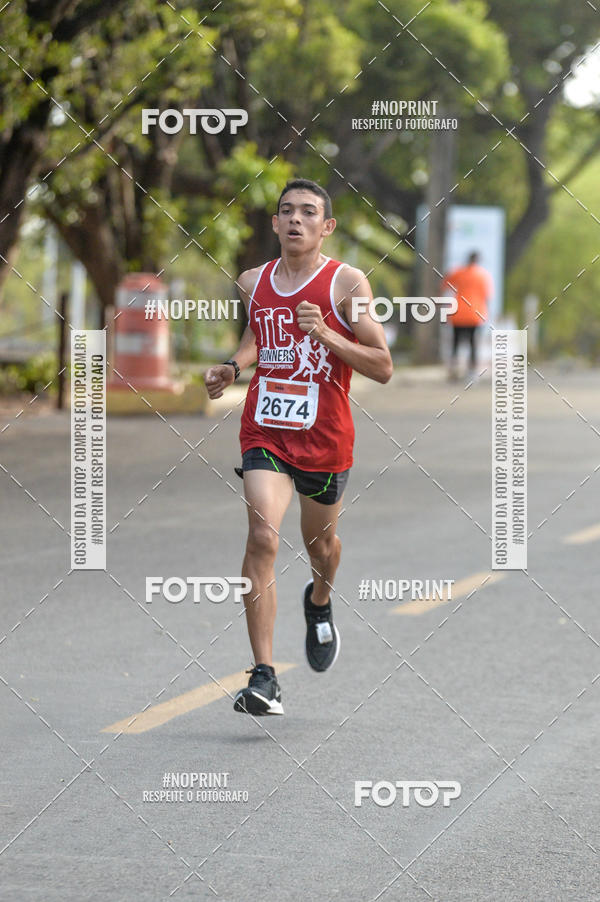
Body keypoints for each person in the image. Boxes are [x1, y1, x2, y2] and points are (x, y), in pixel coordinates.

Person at [203, 178, 393, 716]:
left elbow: (382, 365)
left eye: (308, 213)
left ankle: (320, 600)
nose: (295, 220)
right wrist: (233, 368)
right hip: (265, 428)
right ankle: (264, 676)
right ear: (274, 223)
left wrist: (329, 336)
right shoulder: (251, 281)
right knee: (262, 535)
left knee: (321, 548)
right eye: (286, 211)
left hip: (326, 438)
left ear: (326, 227)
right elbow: (259, 334)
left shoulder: (346, 284)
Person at [440, 251, 493, 380]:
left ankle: (453, 369)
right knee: (473, 343)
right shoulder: (483, 276)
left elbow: (444, 284)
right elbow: (487, 296)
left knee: (456, 342)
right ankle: (472, 371)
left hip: (458, 312)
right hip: (475, 313)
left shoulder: (459, 272)